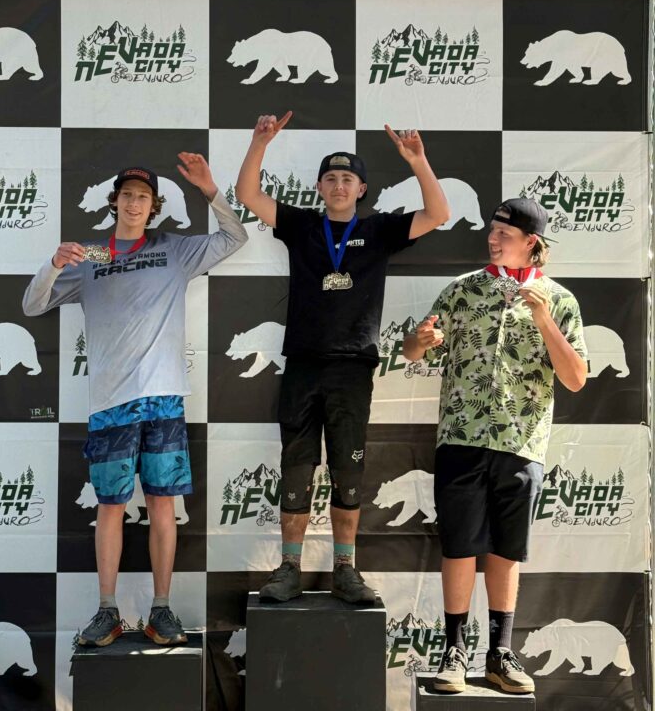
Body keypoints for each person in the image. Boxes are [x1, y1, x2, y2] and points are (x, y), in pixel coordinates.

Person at [23, 155, 247, 646]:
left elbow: (235, 237)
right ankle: (107, 610)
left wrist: (211, 190)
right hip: (110, 403)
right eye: (126, 194)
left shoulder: (174, 249)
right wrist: (53, 264)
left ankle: (161, 609)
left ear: (154, 206)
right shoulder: (90, 255)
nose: (134, 203)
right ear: (114, 202)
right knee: (110, 506)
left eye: (143, 197)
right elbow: (32, 304)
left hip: (164, 400)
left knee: (163, 504)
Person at [235, 111, 449, 604]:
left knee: (348, 471)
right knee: (296, 466)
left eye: (347, 179)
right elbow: (249, 195)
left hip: (353, 368)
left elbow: (438, 214)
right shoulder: (301, 226)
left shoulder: (379, 230)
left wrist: (418, 161)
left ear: (362, 189)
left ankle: (345, 569)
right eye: (330, 178)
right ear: (318, 187)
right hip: (303, 364)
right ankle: (289, 566)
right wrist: (259, 143)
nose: (338, 185)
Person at [403, 197, 587, 694]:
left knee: (507, 550)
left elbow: (575, 379)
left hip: (522, 442)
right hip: (460, 437)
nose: (492, 238)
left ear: (532, 242)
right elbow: (412, 352)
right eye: (492, 230)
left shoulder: (559, 299)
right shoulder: (462, 290)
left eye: (504, 233)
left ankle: (500, 653)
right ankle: (454, 651)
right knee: (460, 546)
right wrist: (420, 340)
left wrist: (543, 319)